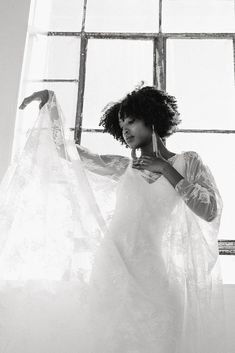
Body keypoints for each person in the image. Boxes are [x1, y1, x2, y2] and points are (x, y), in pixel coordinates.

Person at [0, 86, 227, 353]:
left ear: (151, 119)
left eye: (131, 121)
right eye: (121, 125)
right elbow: (67, 152)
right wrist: (50, 103)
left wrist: (165, 169)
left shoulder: (186, 162)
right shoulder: (123, 167)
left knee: (163, 339)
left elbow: (209, 210)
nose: (125, 130)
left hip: (155, 274)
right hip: (111, 269)